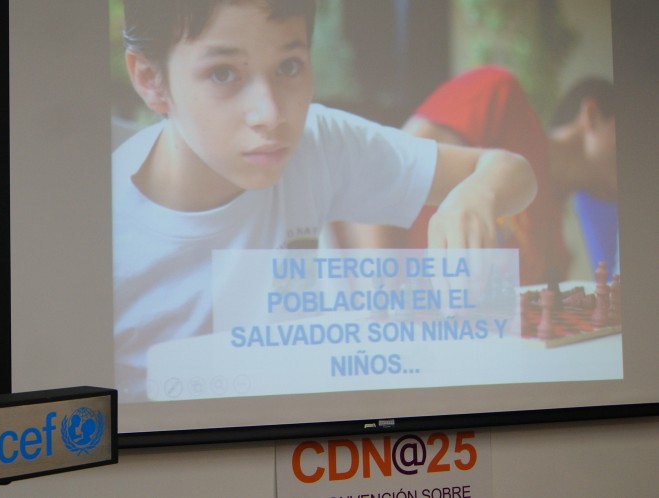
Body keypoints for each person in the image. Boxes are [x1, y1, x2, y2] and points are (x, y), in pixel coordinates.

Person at [112, 0, 536, 401]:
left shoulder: (316, 145)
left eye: (289, 66)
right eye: (223, 73)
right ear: (150, 80)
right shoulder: (100, 236)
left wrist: (474, 196)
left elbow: (512, 170)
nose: (270, 113)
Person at [346, 66, 617, 285]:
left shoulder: (556, 252)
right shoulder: (501, 98)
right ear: (592, 115)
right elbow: (378, 177)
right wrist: (384, 311)